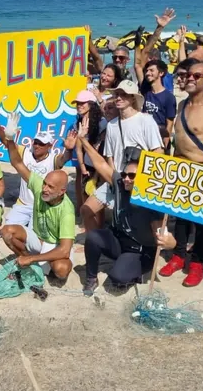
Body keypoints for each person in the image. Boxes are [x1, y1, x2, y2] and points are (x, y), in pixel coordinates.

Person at [77, 120, 175, 294]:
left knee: (118, 279)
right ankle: (91, 278)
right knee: (93, 236)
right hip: (118, 240)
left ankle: (138, 271)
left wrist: (170, 243)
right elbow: (100, 163)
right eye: (124, 174)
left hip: (140, 250)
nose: (126, 178)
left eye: (132, 175)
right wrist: (83, 140)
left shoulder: (150, 201)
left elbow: (163, 234)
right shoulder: (120, 183)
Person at [158, 62, 203, 287]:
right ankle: (178, 256)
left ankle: (197, 263)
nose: (189, 78)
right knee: (180, 217)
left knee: (201, 221)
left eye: (196, 75)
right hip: (181, 170)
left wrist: (202, 177)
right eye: (188, 74)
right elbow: (178, 141)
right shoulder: (181, 105)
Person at [0, 114, 75, 279]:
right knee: (6, 231)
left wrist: (33, 258)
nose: (45, 189)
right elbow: (17, 163)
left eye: (50, 187)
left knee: (61, 270)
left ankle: (32, 261)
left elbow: (64, 249)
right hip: (37, 238)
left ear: (62, 191)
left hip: (55, 245)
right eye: (45, 184)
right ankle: (29, 262)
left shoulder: (67, 211)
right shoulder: (39, 185)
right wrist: (10, 139)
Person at [81, 80, 163, 232]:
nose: (118, 98)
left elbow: (157, 152)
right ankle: (96, 240)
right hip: (118, 178)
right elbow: (109, 157)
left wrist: (145, 181)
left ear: (133, 98)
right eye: (117, 94)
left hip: (138, 180)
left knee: (143, 224)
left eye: (123, 95)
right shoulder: (112, 125)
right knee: (86, 209)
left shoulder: (145, 120)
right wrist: (115, 180)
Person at [0, 105, 67, 226]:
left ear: (49, 146)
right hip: (23, 204)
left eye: (41, 144)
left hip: (42, 204)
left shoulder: (53, 159)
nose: (37, 145)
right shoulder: (25, 152)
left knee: (34, 233)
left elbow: (63, 159)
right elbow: (6, 141)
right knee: (8, 229)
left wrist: (69, 149)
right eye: (35, 142)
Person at [65, 90, 106, 208]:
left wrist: (97, 173)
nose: (79, 106)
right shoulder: (77, 124)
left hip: (100, 166)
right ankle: (85, 223)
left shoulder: (102, 123)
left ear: (91, 104)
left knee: (98, 199)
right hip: (87, 165)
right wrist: (83, 168)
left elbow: (103, 151)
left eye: (82, 103)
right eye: (77, 103)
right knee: (85, 194)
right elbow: (78, 149)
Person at [139, 60, 177, 151]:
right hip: (144, 135)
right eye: (147, 71)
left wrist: (165, 141)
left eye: (152, 70)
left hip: (159, 135)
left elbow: (170, 122)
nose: (148, 73)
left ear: (161, 73)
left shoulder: (169, 97)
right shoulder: (145, 93)